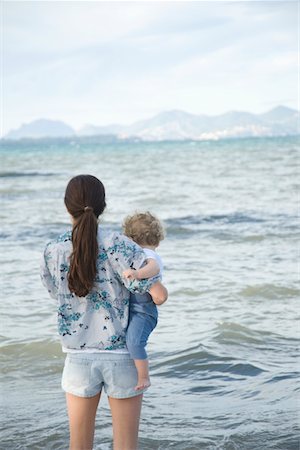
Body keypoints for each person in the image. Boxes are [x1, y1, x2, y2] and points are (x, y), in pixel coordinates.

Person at [40, 174, 168, 450]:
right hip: (123, 356)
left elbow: (55, 294)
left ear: (67, 206)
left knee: (79, 446)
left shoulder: (53, 250)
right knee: (125, 446)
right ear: (103, 205)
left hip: (78, 357)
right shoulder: (119, 244)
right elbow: (155, 293)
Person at [122, 212, 165, 391]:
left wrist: (138, 274)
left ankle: (144, 377)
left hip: (143, 309)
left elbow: (153, 267)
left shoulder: (147, 253)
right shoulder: (142, 253)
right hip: (137, 307)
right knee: (131, 341)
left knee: (134, 342)